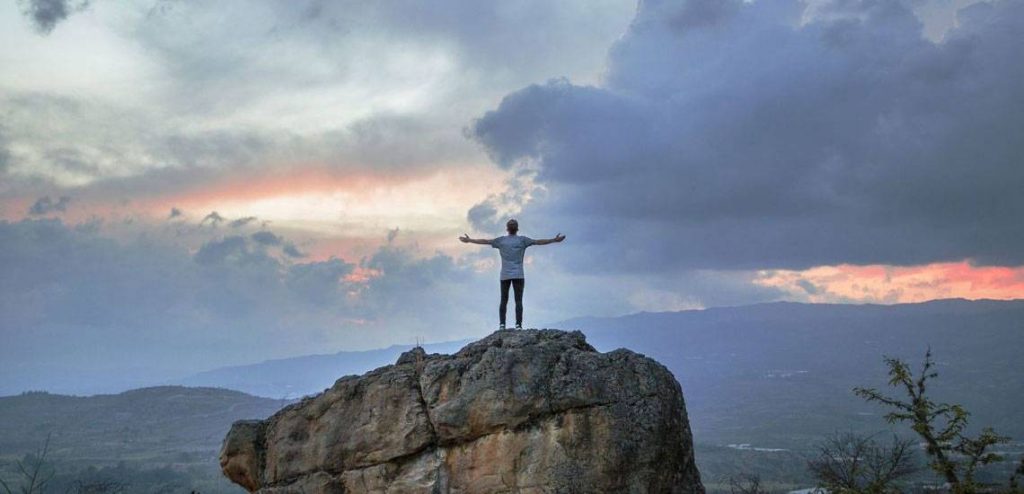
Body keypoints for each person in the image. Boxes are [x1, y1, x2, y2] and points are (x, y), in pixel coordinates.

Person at [459, 219, 565, 330]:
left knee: (503, 300)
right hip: (518, 275)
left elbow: (485, 241)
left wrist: (469, 240)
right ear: (517, 229)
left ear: (507, 229)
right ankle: (518, 325)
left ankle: (502, 325)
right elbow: (538, 242)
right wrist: (554, 240)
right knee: (518, 301)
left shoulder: (501, 241)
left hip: (505, 275)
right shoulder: (522, 240)